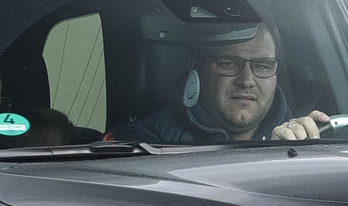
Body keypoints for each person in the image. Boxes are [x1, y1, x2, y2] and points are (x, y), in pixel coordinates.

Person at [115, 25, 332, 145]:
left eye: (263, 66)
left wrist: (302, 149)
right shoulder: (143, 142)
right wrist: (266, 158)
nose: (246, 81)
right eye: (228, 63)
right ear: (196, 65)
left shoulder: (302, 142)